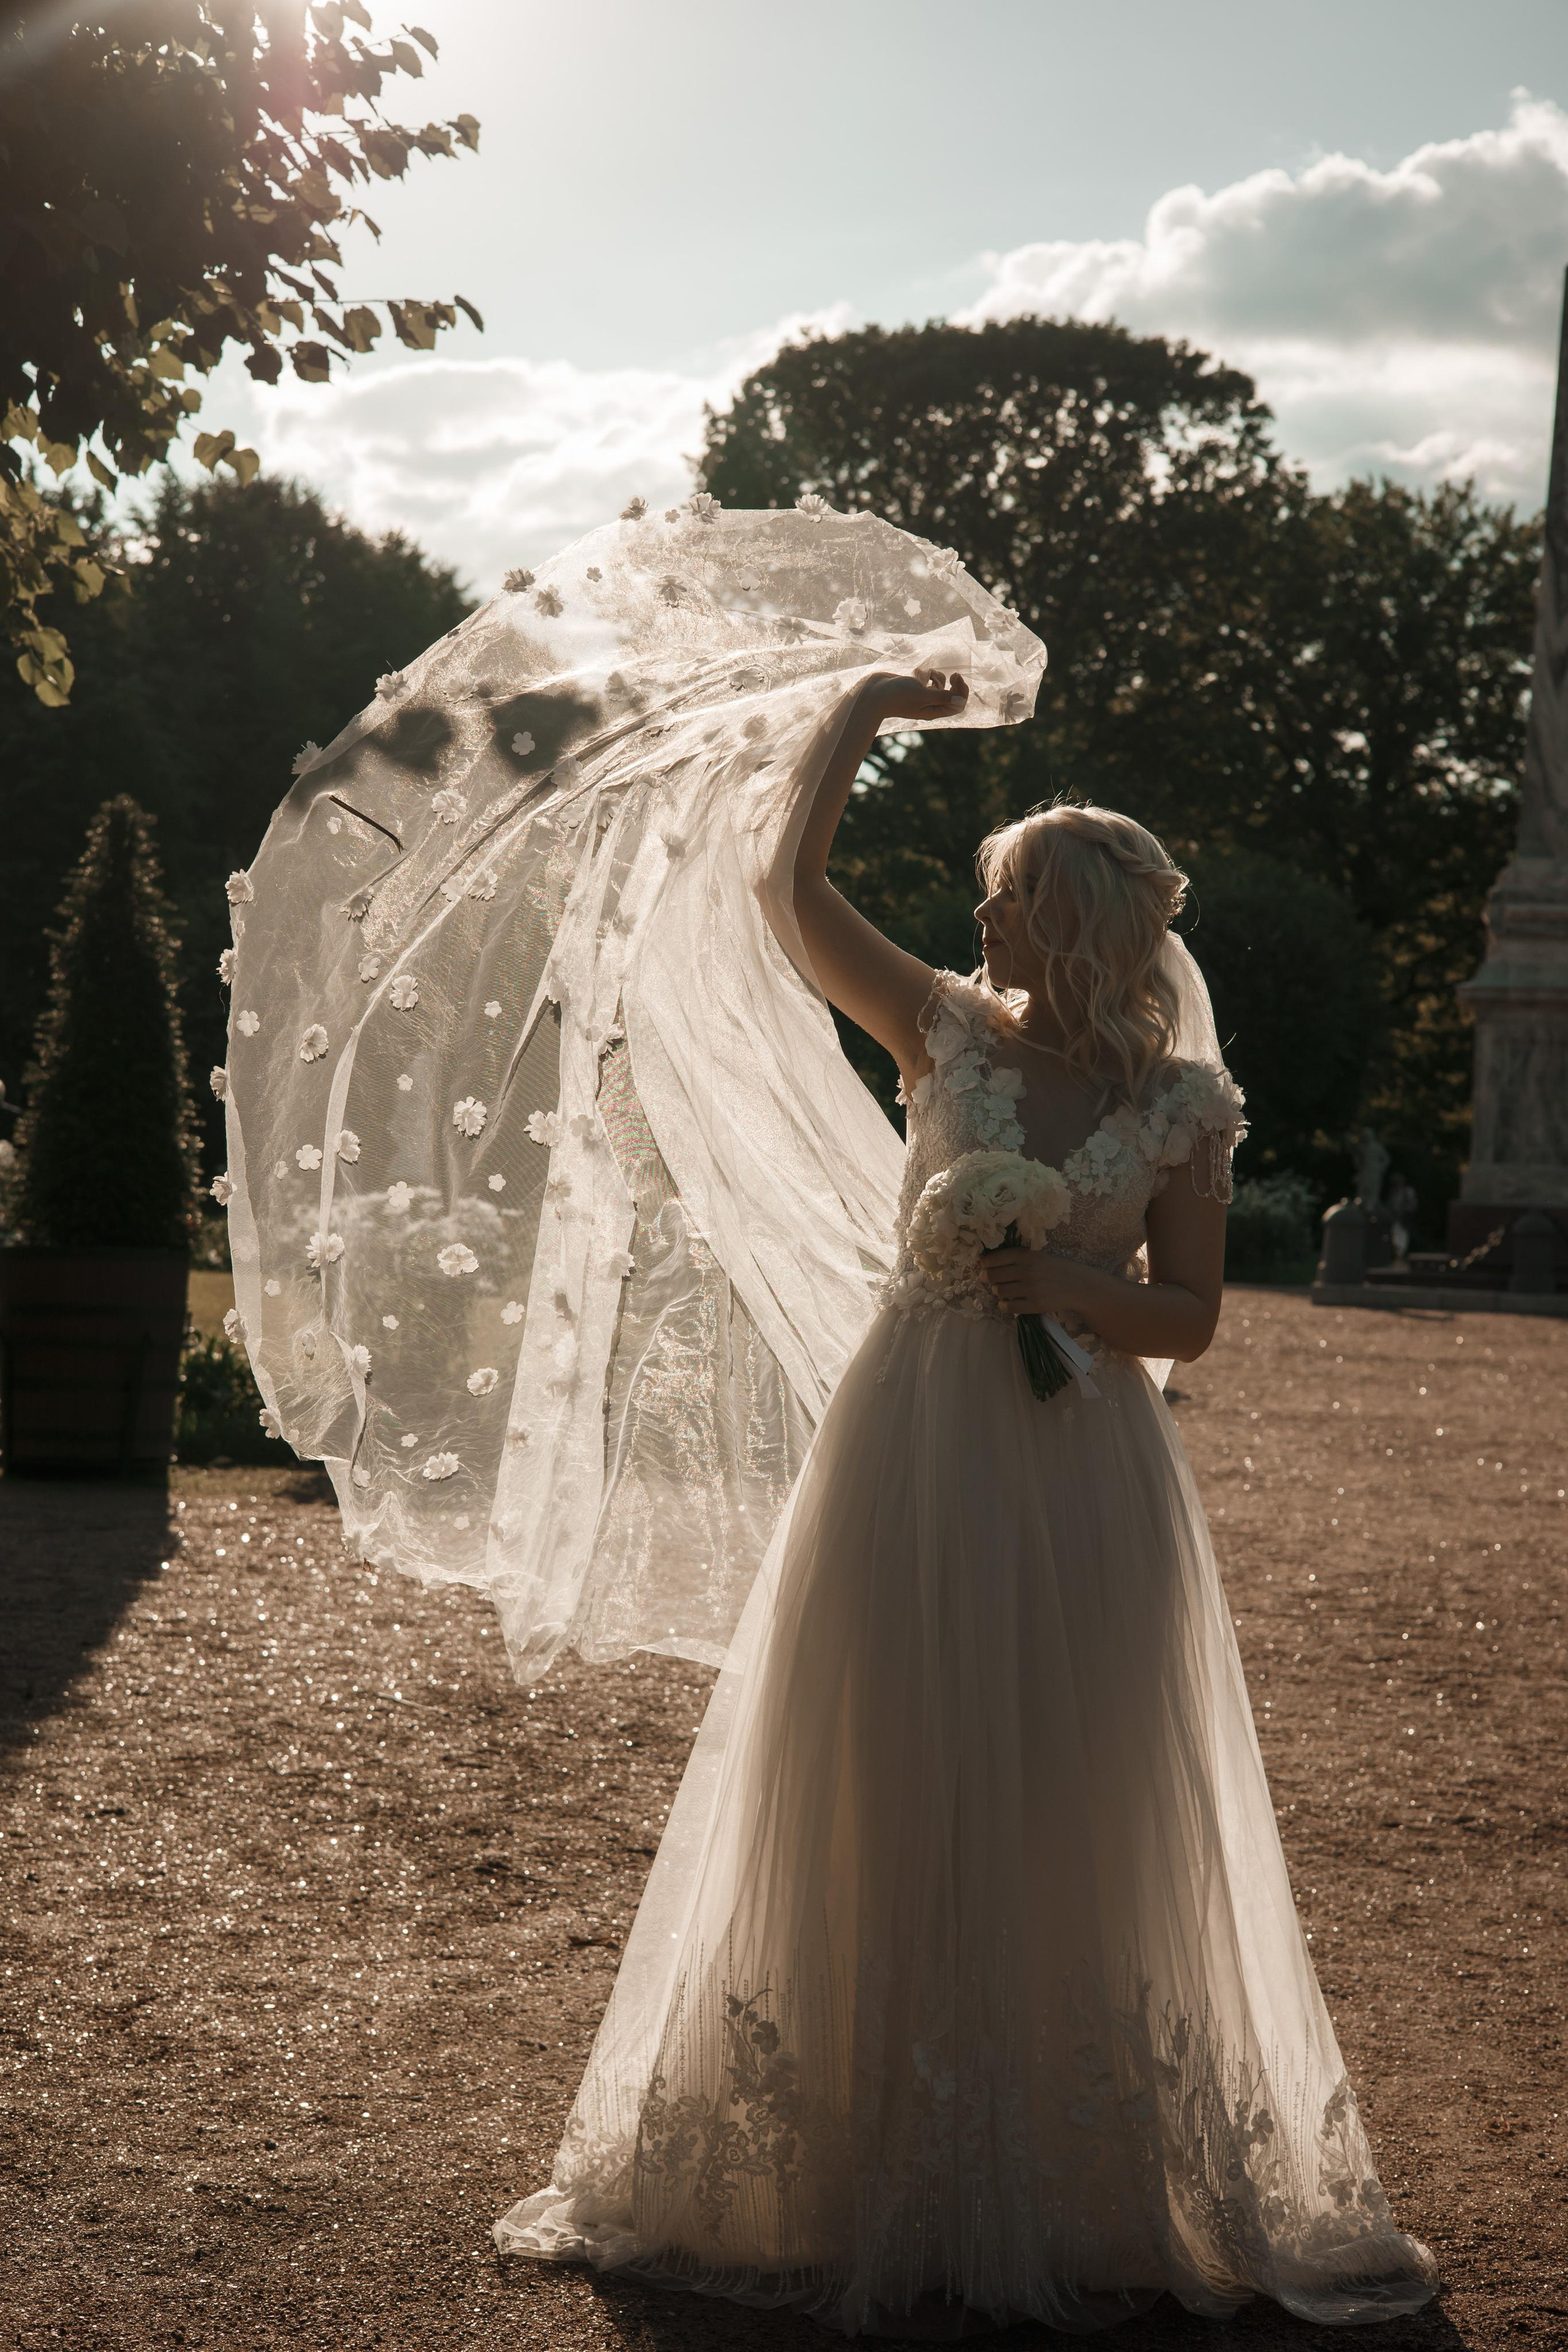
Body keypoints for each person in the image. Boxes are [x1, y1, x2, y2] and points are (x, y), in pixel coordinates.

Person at [496, 666, 1438, 2335]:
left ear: (1062, 925)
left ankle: (1072, 2166)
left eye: (1001, 904)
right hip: (914, 1438)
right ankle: (858, 2155)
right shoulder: (939, 1027)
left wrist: (1054, 1288)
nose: (978, 924)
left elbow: (1195, 1317)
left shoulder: (1182, 1107)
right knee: (880, 1751)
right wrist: (860, 713)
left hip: (1088, 1463)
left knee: (1077, 1780)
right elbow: (790, 893)